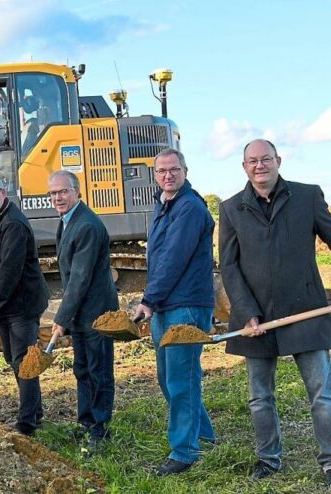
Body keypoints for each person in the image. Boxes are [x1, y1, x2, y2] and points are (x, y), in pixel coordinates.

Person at [219, 139, 331, 486]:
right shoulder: (231, 208)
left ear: (278, 160)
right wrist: (246, 311)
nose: (259, 165)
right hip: (256, 320)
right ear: (244, 166)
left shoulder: (307, 196)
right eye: (252, 161)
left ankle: (330, 461)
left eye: (265, 159)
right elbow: (229, 265)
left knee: (323, 394)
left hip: (305, 311)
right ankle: (268, 458)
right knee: (259, 397)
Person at [134, 148, 217, 475]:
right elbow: (159, 259)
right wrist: (154, 300)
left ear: (185, 170)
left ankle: (184, 451)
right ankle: (203, 434)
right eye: (161, 171)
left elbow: (174, 259)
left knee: (181, 379)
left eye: (174, 169)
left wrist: (149, 300)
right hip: (168, 303)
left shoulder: (190, 207)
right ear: (155, 175)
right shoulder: (164, 205)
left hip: (186, 304)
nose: (168, 175)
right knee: (171, 377)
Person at [48, 170, 118, 450]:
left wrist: (61, 317)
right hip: (81, 312)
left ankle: (100, 429)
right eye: (53, 193)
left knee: (98, 369)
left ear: (76, 191)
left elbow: (80, 278)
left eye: (62, 191)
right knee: (82, 368)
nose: (57, 197)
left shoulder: (87, 225)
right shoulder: (67, 222)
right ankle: (86, 421)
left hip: (97, 313)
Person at [0, 176, 49, 436]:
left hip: (21, 304)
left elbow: (9, 270)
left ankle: (27, 424)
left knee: (23, 361)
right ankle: (35, 412)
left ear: (3, 193)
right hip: (8, 305)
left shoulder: (13, 224)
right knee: (14, 359)